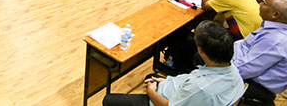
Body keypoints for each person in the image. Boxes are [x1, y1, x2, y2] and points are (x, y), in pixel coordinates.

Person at [103, 21, 244, 106]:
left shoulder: (200, 88)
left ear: (201, 51)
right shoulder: (234, 74)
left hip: (161, 101)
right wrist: (165, 80)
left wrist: (151, 90)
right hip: (178, 90)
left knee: (109, 100)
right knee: (150, 76)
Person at [232, 0, 287, 104]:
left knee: (201, 58)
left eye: (264, 4)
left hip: (253, 85)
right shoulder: (276, 27)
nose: (259, 4)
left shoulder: (275, 41)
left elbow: (243, 70)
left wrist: (219, 66)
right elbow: (248, 45)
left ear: (275, 14)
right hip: (246, 63)